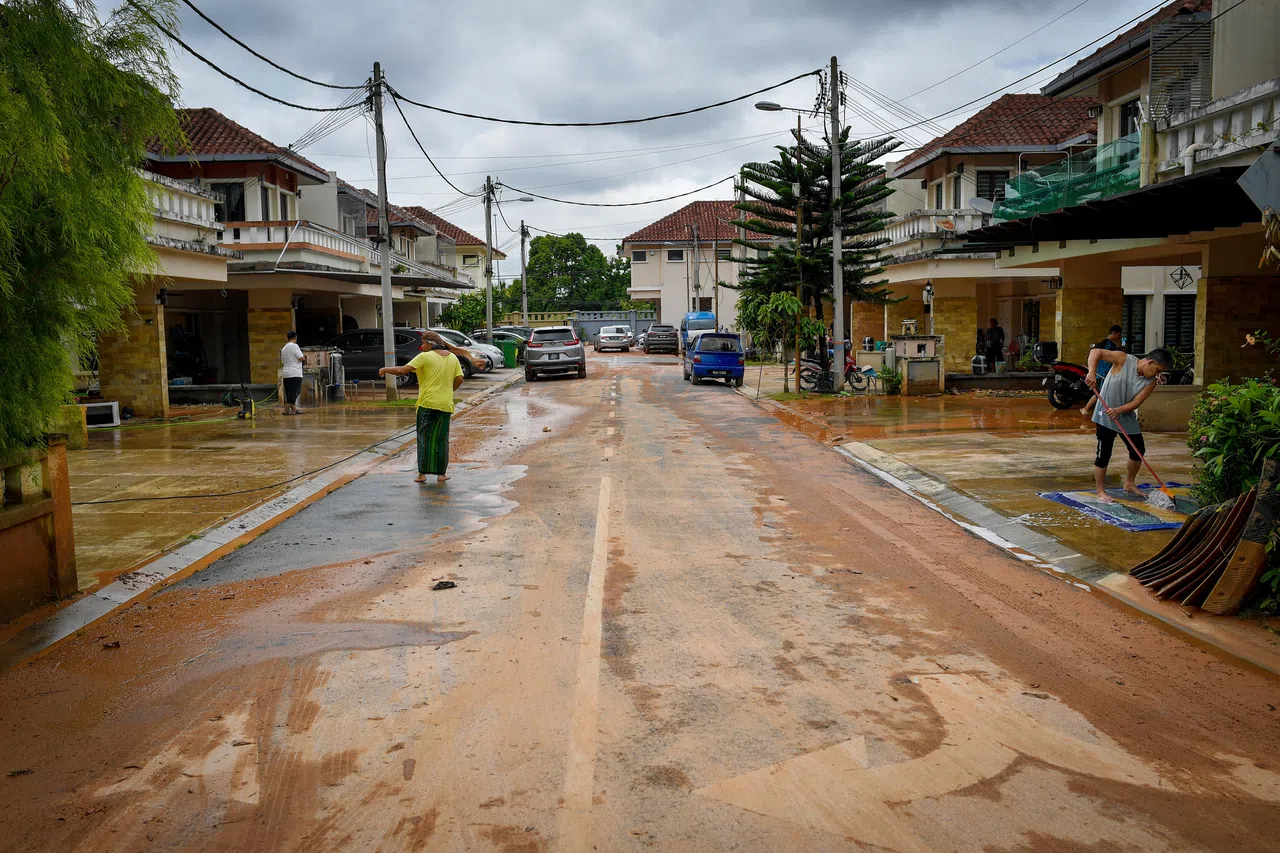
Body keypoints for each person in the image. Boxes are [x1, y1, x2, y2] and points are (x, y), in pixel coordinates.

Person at [1087, 347, 1173, 504]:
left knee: (1138, 450)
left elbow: (1137, 402)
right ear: (1150, 362)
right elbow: (1096, 353)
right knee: (1104, 453)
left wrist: (1118, 410)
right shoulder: (1123, 359)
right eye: (1157, 370)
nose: (1157, 375)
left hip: (1124, 415)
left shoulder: (1151, 382)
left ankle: (1129, 483)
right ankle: (1100, 491)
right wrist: (1091, 372)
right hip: (1105, 414)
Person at [379, 331, 464, 484]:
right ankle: (441, 474)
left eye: (423, 343)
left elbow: (402, 370)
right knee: (441, 439)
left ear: (431, 343)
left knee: (424, 438)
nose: (421, 346)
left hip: (427, 403)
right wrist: (449, 391)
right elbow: (459, 378)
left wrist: (385, 370)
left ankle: (422, 474)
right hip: (445, 404)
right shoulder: (453, 357)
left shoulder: (425, 357)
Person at [1080, 325, 1125, 417]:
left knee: (1101, 393)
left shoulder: (1104, 343)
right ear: (1114, 333)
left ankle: (1089, 409)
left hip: (1100, 373)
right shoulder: (1109, 345)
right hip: (1103, 374)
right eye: (1119, 335)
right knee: (1101, 393)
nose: (1119, 337)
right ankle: (1088, 409)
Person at [280, 331, 306, 415]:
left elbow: (284, 361)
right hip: (295, 373)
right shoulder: (294, 346)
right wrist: (304, 357)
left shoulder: (284, 348)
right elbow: (301, 358)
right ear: (295, 337)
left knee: (289, 392)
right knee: (294, 392)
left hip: (286, 373)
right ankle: (286, 410)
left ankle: (294, 409)